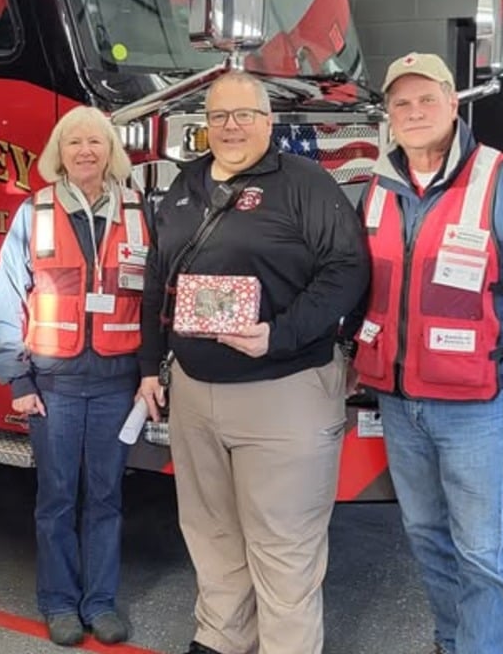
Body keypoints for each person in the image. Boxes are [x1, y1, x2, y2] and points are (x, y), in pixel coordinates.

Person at [349, 52, 503, 654]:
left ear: (453, 104)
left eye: (426, 99)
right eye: (400, 103)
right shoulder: (378, 187)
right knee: (427, 535)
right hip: (402, 405)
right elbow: (361, 287)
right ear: (388, 115)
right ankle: (452, 640)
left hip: (480, 407)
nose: (413, 112)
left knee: (480, 550)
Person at [136, 71, 369, 654]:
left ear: (269, 122)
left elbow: (347, 272)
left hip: (284, 390)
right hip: (194, 391)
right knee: (210, 529)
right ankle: (221, 638)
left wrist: (280, 335)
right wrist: (149, 365)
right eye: (219, 117)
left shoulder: (307, 184)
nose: (231, 126)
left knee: (283, 543)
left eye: (244, 115)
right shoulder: (186, 186)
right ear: (205, 126)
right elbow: (158, 279)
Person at [0, 105, 148, 647]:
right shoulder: (34, 212)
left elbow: (153, 297)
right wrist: (19, 381)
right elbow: (6, 297)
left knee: (105, 498)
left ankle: (99, 603)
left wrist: (151, 373)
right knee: (57, 498)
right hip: (52, 385)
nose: (85, 151)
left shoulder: (136, 209)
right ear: (59, 152)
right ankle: (58, 603)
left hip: (115, 382)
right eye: (74, 142)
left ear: (111, 151)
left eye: (95, 142)